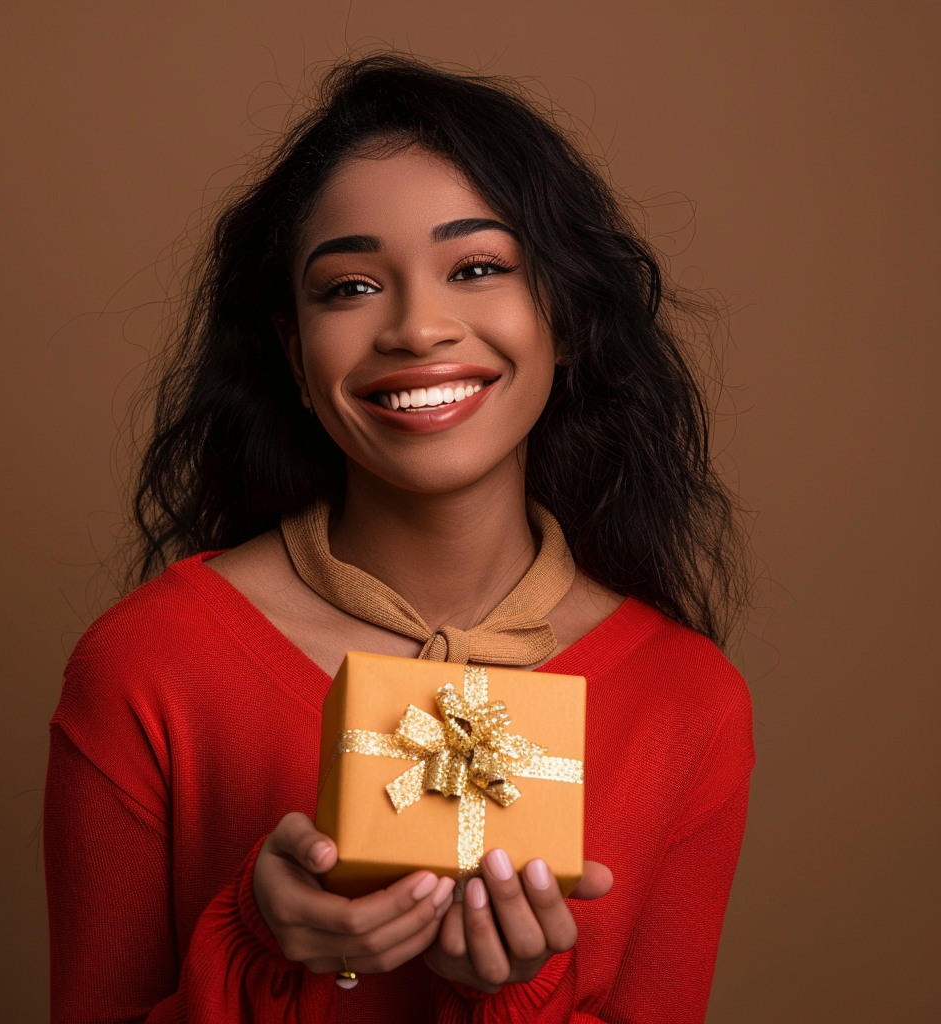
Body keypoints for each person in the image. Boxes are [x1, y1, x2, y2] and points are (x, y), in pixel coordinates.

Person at [44, 54, 755, 1023]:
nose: (419, 328)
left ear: (566, 316)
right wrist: (251, 941)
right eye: (348, 288)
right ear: (295, 357)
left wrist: (514, 995)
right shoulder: (144, 664)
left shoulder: (689, 702)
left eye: (475, 268)